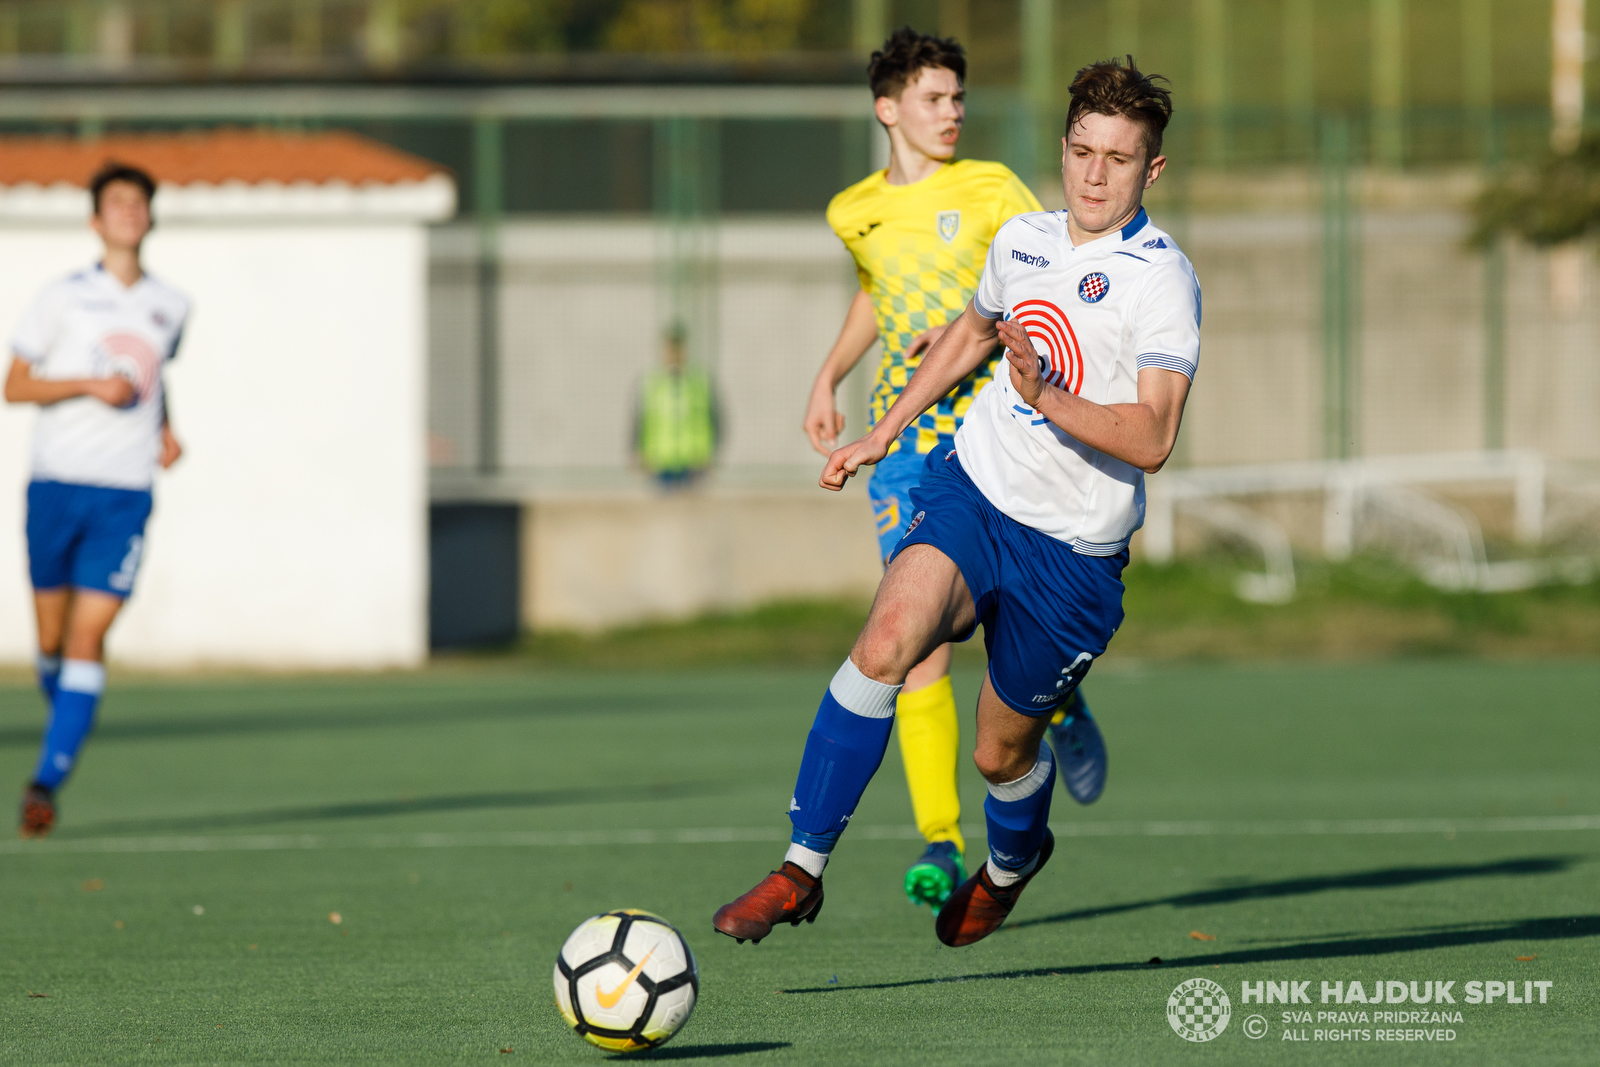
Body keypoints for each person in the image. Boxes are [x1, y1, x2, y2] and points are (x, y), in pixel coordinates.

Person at [715, 56, 1198, 947]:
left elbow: (1155, 436)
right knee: (888, 635)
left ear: (1151, 170)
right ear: (1063, 148)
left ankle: (1012, 866)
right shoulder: (1021, 239)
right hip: (973, 490)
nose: (1096, 174)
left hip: (1072, 557)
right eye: (1083, 151)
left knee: (999, 754)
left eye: (1119, 159)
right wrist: (884, 428)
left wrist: (1048, 395)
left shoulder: (1160, 278)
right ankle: (801, 869)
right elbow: (973, 333)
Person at [805, 26, 1106, 916]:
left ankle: (1060, 706)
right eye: (935, 99)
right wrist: (829, 373)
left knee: (1013, 629)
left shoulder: (991, 190)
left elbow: (1039, 277)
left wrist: (978, 331)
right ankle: (941, 836)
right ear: (887, 108)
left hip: (991, 435)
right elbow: (876, 290)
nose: (953, 113)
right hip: (903, 451)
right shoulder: (851, 208)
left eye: (960, 98)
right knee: (916, 645)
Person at [9, 162, 188, 838]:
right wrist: (87, 384)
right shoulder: (61, 298)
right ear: (96, 220)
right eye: (118, 202)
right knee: (53, 640)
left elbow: (155, 377)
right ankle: (67, 716)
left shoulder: (172, 304)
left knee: (89, 634)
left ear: (150, 216)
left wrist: (166, 430)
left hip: (125, 494)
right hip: (56, 486)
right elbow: (14, 386)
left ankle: (46, 780)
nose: (130, 212)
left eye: (140, 202)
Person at [636, 322, 718, 489]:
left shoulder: (699, 382)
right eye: (670, 349)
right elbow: (639, 421)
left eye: (678, 348)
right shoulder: (652, 384)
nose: (674, 354)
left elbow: (716, 420)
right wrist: (640, 454)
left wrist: (711, 454)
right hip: (660, 465)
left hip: (695, 465)